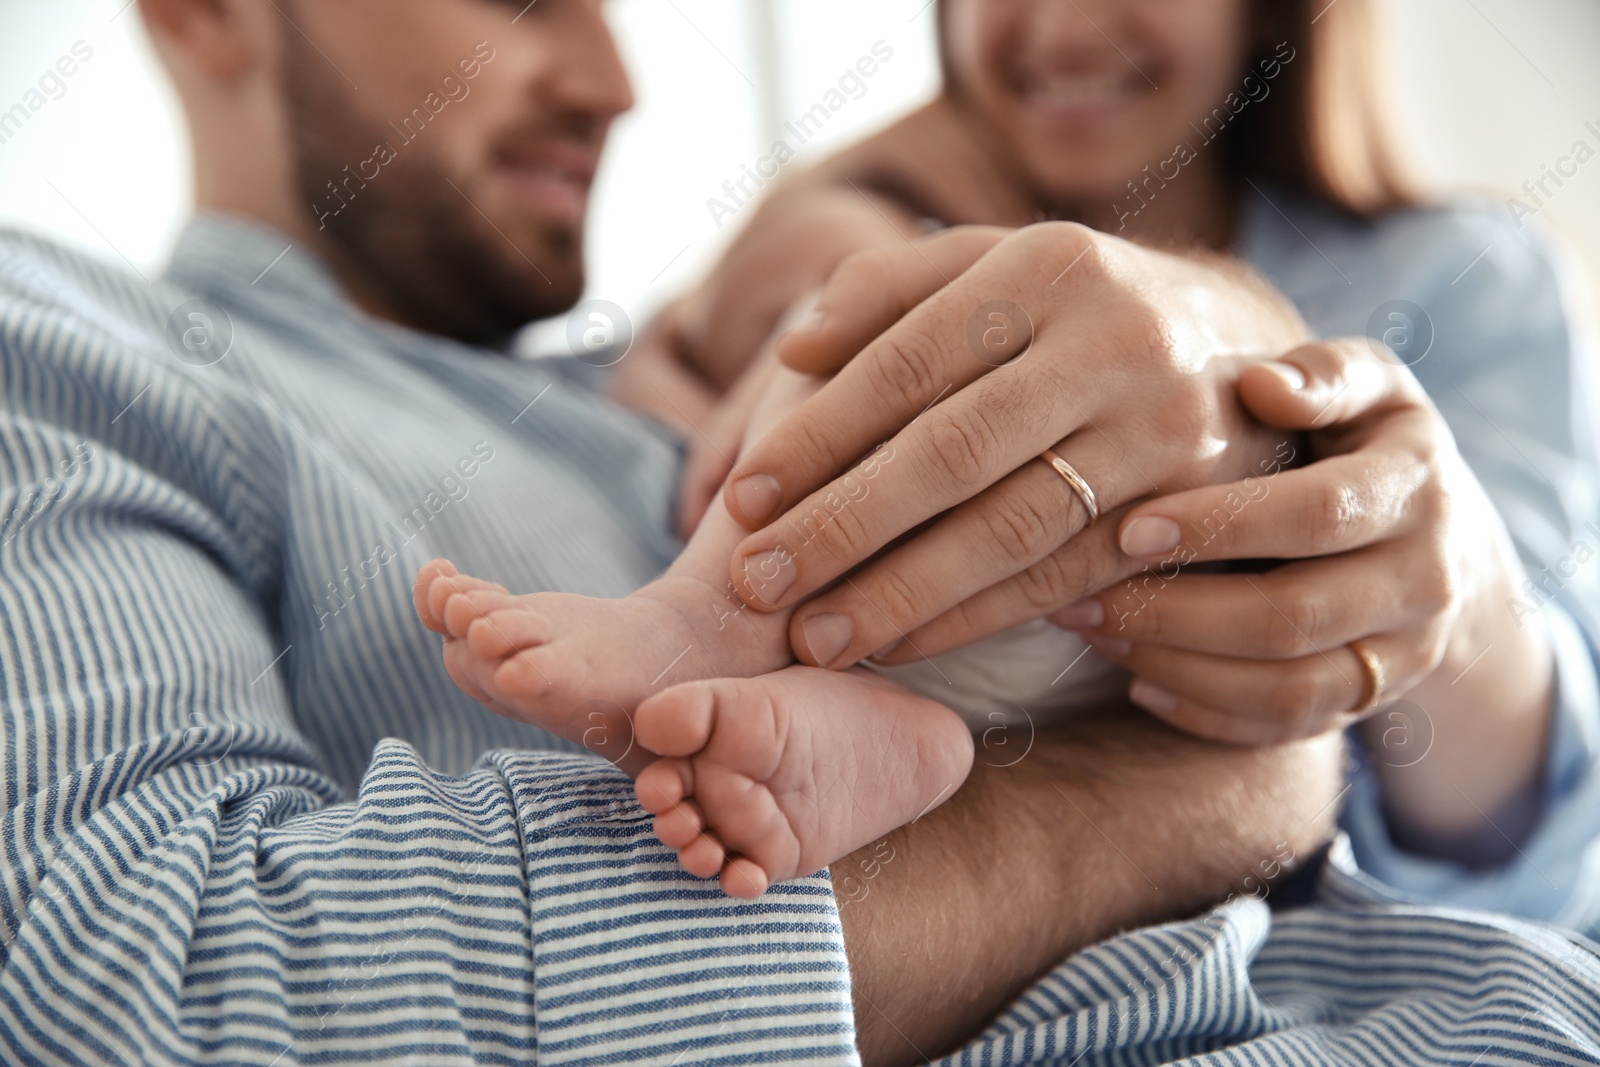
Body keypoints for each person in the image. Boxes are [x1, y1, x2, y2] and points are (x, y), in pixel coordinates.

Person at [1, 2, 1597, 1067]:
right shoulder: (57, 342)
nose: (620, 80)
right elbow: (162, 991)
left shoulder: (643, 357)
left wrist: (1243, 375)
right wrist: (1243, 766)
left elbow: (1528, 818)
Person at [640, 0, 1600, 912]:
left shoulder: (1465, 282)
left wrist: (1455, 604)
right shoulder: (880, 252)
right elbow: (647, 403)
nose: (1063, 29)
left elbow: (1536, 860)